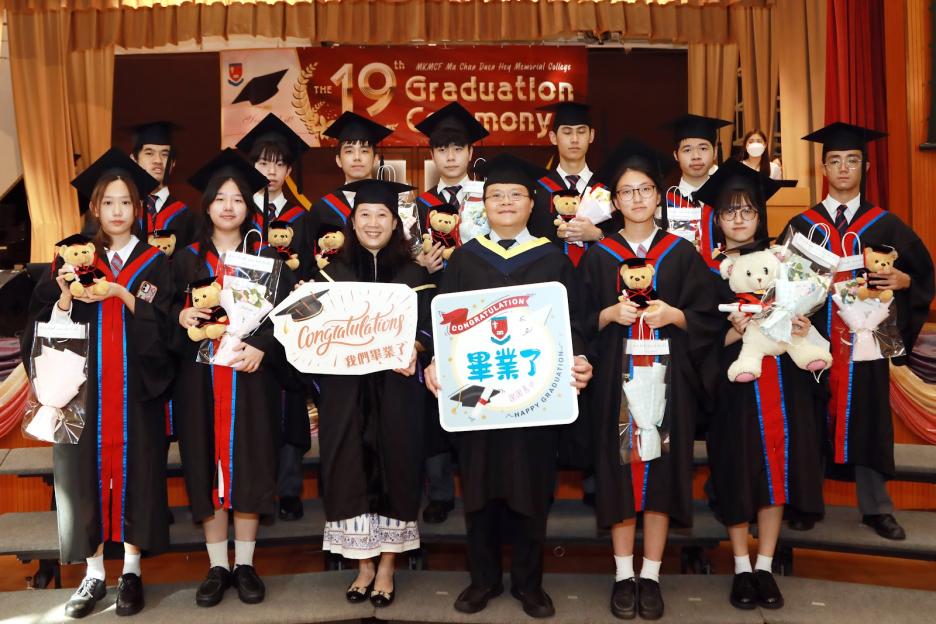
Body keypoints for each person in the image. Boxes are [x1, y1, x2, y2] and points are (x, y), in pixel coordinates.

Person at [423, 153, 594, 619]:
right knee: (478, 489)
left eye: (514, 195)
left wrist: (581, 358)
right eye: (495, 195)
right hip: (479, 399)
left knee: (530, 490)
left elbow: (574, 324)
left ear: (531, 203)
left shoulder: (552, 259)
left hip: (534, 399)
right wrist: (436, 361)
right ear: (483, 204)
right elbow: (444, 322)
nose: (504, 202)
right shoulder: (465, 258)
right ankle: (482, 580)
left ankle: (528, 583)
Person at [23, 148, 172, 618]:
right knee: (81, 480)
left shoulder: (154, 263)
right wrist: (65, 297)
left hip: (134, 396)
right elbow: (38, 327)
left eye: (125, 202)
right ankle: (93, 575)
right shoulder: (71, 258)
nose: (117, 211)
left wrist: (123, 293)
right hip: (80, 397)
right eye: (108, 202)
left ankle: (131, 571)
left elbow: (167, 331)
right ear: (94, 207)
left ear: (138, 207)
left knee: (137, 475)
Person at [578, 139, 722, 620]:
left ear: (659, 196)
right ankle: (623, 575)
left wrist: (676, 315)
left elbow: (709, 316)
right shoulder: (600, 256)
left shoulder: (681, 253)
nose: (637, 198)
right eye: (627, 191)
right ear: (615, 201)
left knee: (660, 474)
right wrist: (607, 315)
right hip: (615, 383)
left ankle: (652, 576)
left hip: (669, 383)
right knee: (621, 475)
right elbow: (577, 320)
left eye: (645, 189)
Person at [784, 122, 935, 539]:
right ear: (823, 168)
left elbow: (922, 275)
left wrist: (905, 281)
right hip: (812, 342)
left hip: (865, 346)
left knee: (869, 418)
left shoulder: (886, 225)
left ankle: (876, 508)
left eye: (852, 160)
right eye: (835, 160)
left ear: (865, 168)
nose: (843, 168)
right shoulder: (803, 225)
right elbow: (780, 284)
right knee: (809, 418)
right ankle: (805, 502)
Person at [694, 160, 825, 611]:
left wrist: (803, 322)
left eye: (747, 210)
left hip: (784, 386)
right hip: (733, 390)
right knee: (736, 471)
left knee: (777, 469)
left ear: (759, 215)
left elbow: (805, 314)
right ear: (717, 217)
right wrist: (734, 331)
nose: (738, 219)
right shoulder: (706, 270)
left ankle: (765, 566)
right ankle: (741, 567)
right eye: (729, 211)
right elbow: (698, 339)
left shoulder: (784, 263)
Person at [169, 148, 295, 607]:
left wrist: (264, 347)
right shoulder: (184, 261)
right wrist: (180, 317)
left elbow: (287, 320)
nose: (228, 206)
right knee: (205, 462)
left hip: (250, 381)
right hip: (198, 382)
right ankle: (216, 566)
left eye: (238, 199)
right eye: (220, 198)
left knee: (250, 462)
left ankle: (245, 564)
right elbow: (163, 318)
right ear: (206, 206)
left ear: (249, 206)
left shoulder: (267, 260)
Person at [309, 178, 435, 608]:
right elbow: (309, 337)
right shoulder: (329, 275)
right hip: (346, 396)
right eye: (364, 214)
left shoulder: (415, 276)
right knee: (348, 470)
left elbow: (430, 327)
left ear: (396, 223)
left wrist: (416, 346)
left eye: (383, 214)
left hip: (398, 393)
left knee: (398, 467)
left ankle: (387, 566)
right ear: (352, 221)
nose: (373, 222)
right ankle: (363, 565)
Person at [412, 102, 490, 524]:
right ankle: (440, 492)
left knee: (479, 389)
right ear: (432, 155)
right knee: (435, 395)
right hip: (433, 309)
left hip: (479, 309)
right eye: (442, 149)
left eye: (458, 148)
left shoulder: (488, 198)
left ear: (470, 151)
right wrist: (420, 264)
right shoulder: (416, 206)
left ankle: (479, 487)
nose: (451, 156)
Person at [236, 113, 313, 521]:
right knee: (254, 408)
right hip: (247, 327)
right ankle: (258, 490)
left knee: (290, 404)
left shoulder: (303, 216)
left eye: (280, 163)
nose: (271, 170)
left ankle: (289, 489)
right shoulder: (237, 213)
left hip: (290, 325)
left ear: (289, 170)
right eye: (264, 162)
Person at [303, 112, 393, 278]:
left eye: (364, 151)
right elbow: (310, 263)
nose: (357, 158)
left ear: (375, 159)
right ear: (338, 160)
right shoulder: (321, 209)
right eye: (349, 151)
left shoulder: (391, 205)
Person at [530, 102, 616, 265]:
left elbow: (624, 242)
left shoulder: (607, 191)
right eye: (567, 132)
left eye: (581, 132)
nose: (575, 139)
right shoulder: (537, 191)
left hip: (596, 277)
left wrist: (597, 235)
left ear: (591, 136)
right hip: (551, 277)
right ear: (553, 138)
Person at [661, 114, 733, 274]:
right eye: (687, 150)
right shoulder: (663, 202)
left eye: (703, 148)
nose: (696, 156)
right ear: (676, 155)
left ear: (715, 152)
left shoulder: (730, 199)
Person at [130, 121, 195, 252]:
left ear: (173, 163)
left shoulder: (187, 217)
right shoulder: (121, 210)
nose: (158, 161)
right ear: (134, 160)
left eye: (165, 154)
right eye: (149, 153)